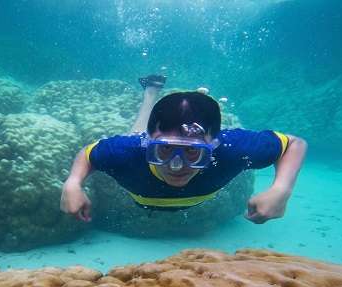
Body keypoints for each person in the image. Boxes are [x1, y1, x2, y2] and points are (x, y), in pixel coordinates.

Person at [60, 74, 307, 224]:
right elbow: (88, 154)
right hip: (139, 144)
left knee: (135, 137)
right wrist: (72, 183)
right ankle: (151, 93)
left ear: (214, 146)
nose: (176, 167)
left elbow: (295, 145)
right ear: (149, 144)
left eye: (192, 153)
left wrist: (281, 189)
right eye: (164, 151)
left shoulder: (230, 149)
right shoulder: (128, 151)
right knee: (133, 136)